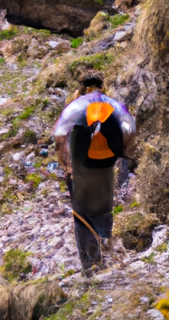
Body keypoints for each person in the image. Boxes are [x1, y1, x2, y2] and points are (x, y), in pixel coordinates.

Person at [54, 75, 136, 275]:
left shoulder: (76, 108)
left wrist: (66, 164)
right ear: (103, 87)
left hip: (82, 165)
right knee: (103, 205)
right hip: (105, 165)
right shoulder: (113, 106)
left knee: (82, 211)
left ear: (83, 88)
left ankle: (90, 262)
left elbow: (60, 133)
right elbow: (130, 129)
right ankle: (106, 250)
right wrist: (122, 151)